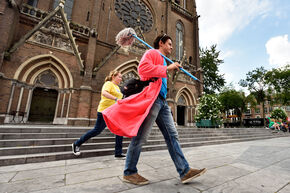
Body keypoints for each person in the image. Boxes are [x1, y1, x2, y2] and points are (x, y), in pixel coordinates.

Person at [104, 34, 206, 185]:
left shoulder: (163, 59)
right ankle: (129, 172)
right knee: (140, 137)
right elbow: (143, 69)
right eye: (169, 44)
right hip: (153, 100)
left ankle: (184, 171)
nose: (172, 47)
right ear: (161, 43)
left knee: (172, 135)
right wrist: (167, 68)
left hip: (163, 103)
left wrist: (169, 67)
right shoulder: (152, 53)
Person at [72, 70, 125, 158]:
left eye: (121, 77)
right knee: (97, 130)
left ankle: (118, 153)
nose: (121, 78)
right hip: (104, 111)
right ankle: (76, 144)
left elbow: (120, 99)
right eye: (119, 76)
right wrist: (116, 99)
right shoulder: (108, 84)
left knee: (120, 130)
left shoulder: (117, 87)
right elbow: (104, 93)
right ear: (113, 77)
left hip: (114, 112)